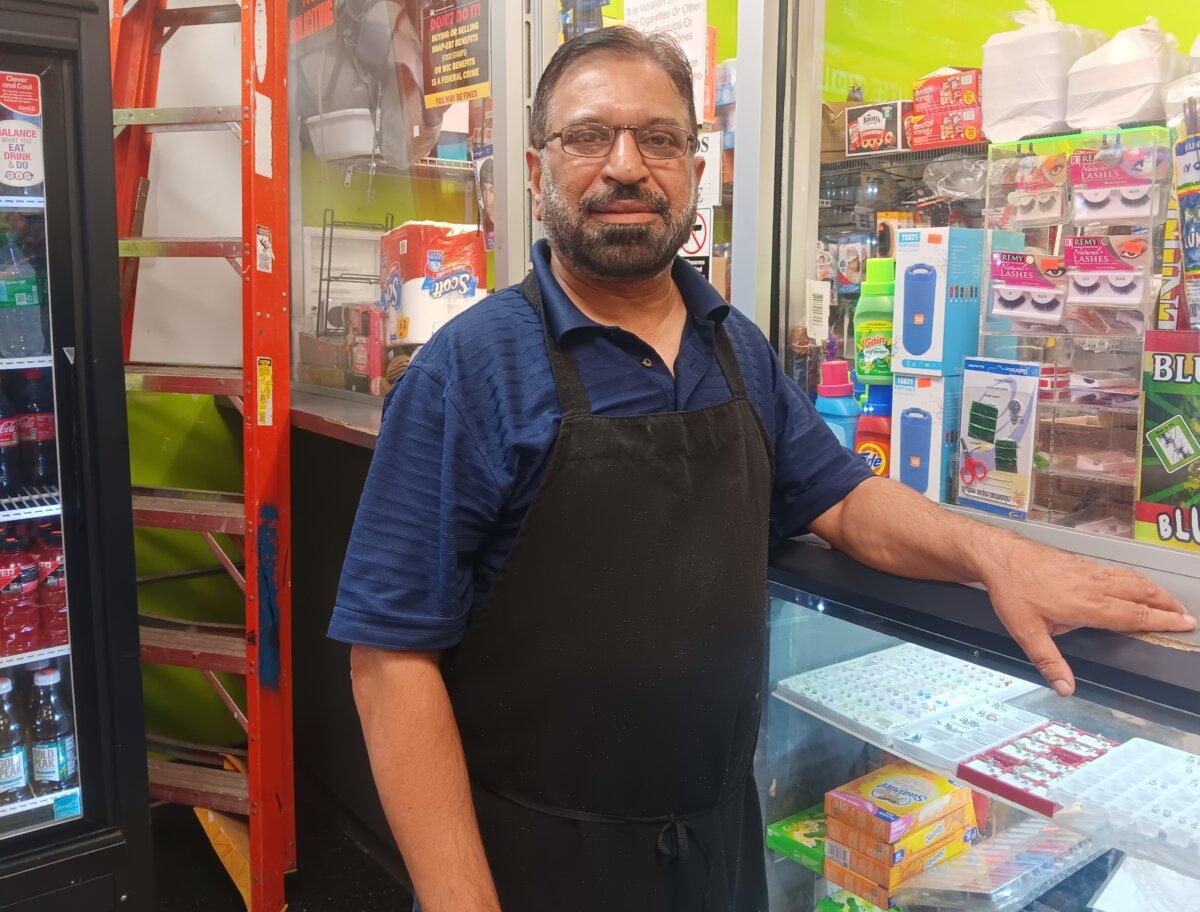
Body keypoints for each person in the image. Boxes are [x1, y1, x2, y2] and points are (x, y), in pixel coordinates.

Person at [332, 26, 1195, 912]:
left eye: (661, 138)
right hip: (537, 857)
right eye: (589, 136)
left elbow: (848, 500)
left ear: (695, 172)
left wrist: (995, 556)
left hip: (719, 844)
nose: (626, 165)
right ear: (533, 166)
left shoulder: (735, 349)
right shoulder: (468, 371)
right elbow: (390, 659)